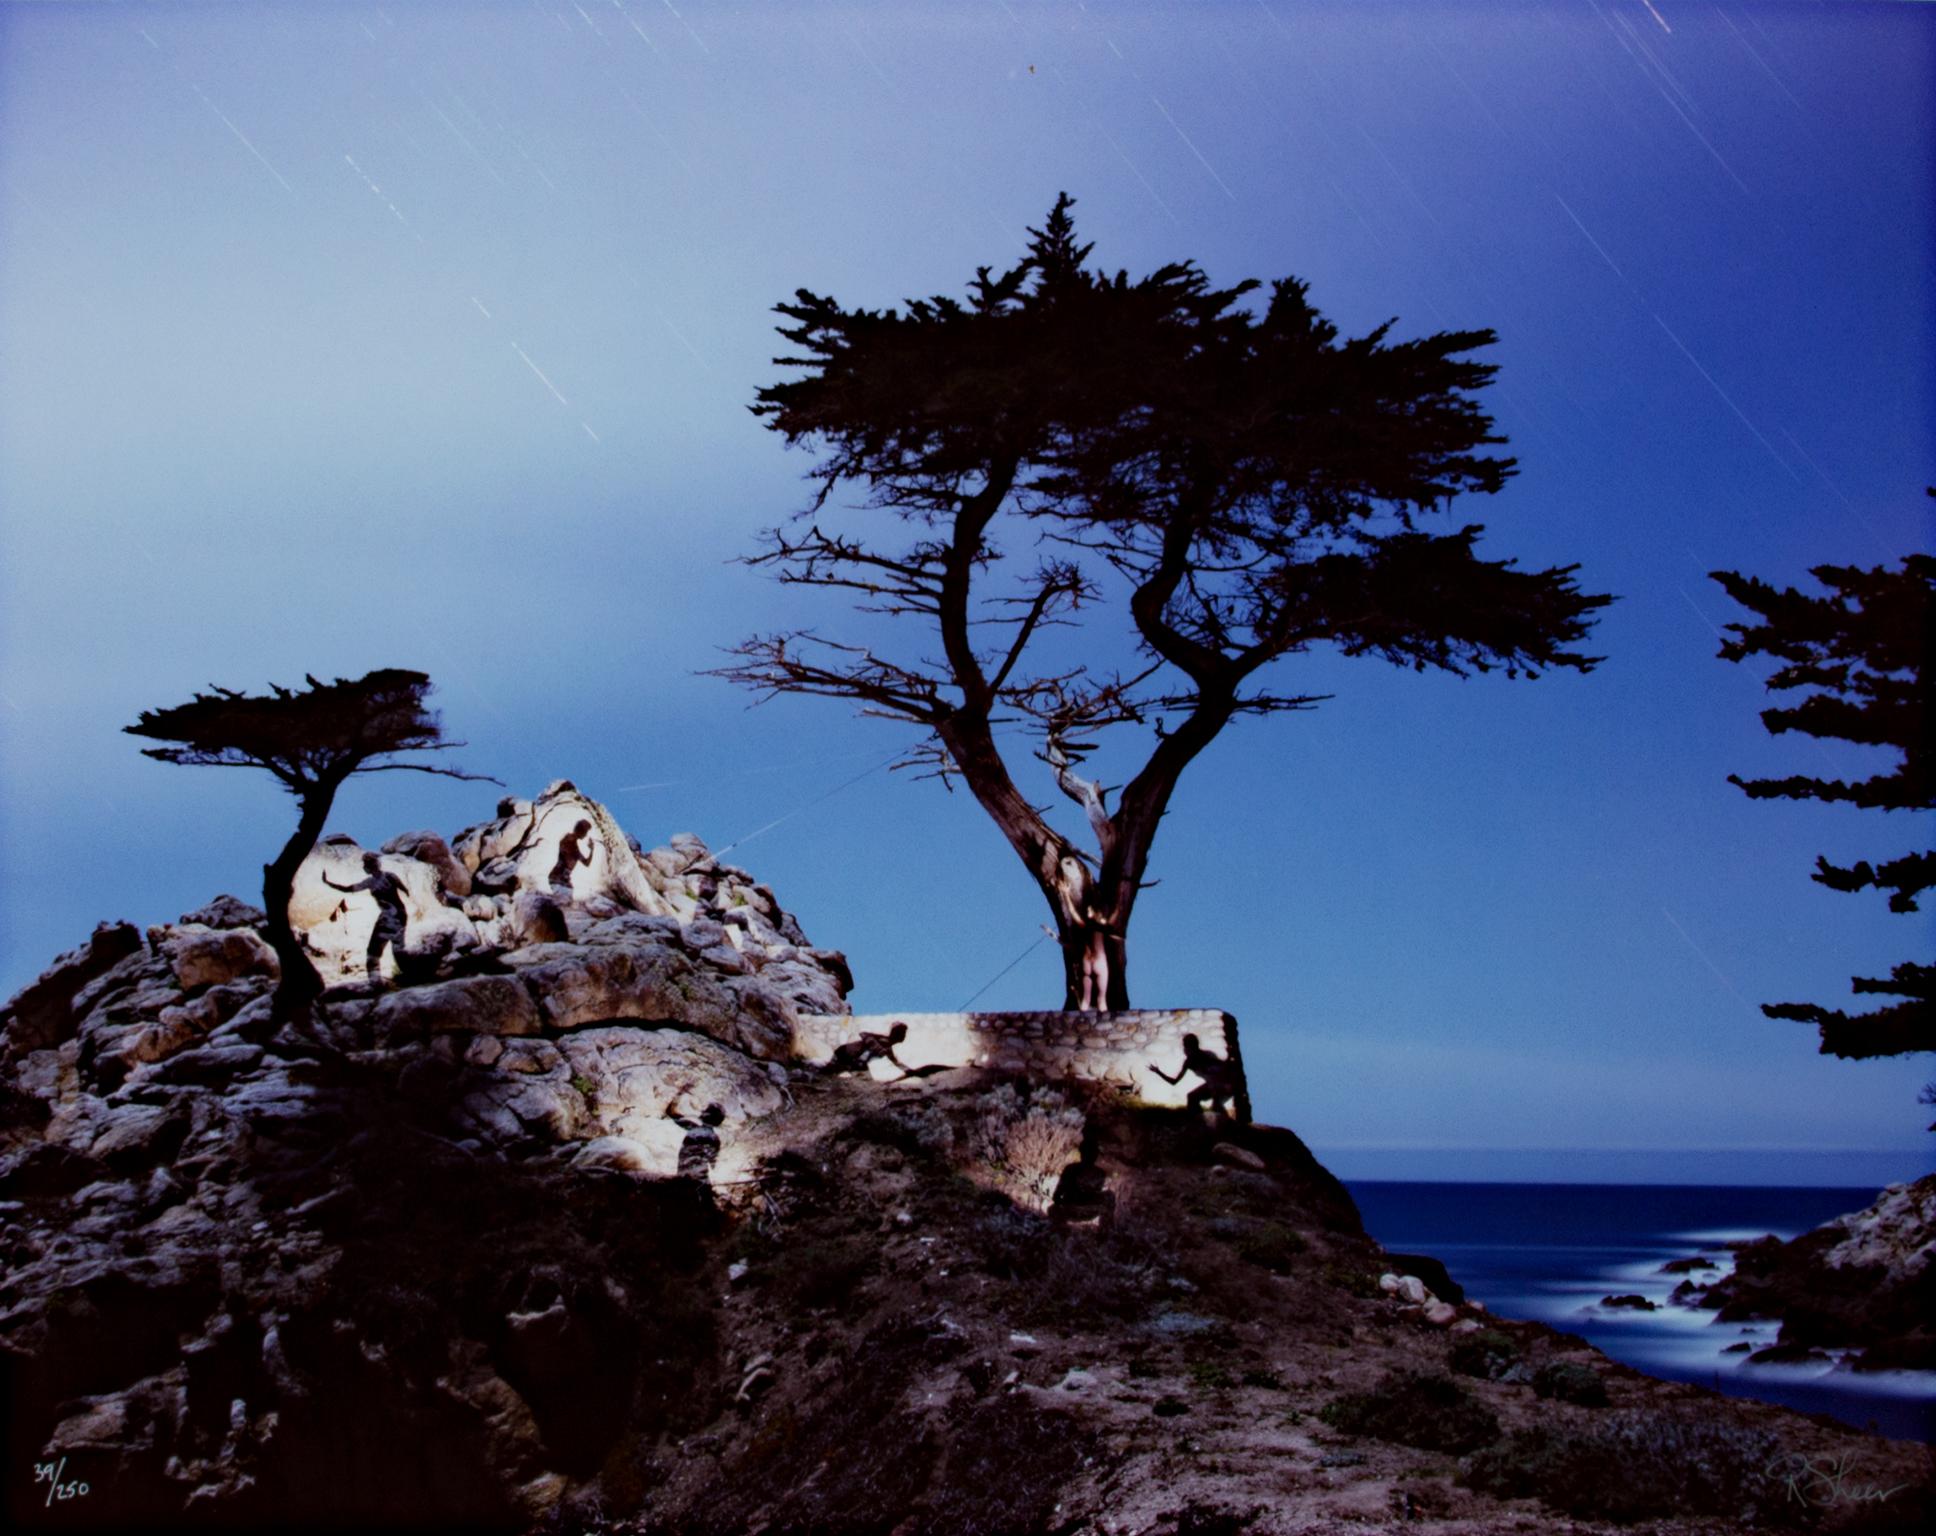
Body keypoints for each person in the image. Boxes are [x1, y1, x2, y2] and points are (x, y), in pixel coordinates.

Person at [322, 852, 410, 983]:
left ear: (369, 866)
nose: (364, 867)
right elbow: (405, 891)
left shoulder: (375, 881)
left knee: (375, 950)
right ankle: (408, 974)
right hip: (397, 915)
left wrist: (327, 882)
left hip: (390, 917)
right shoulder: (384, 878)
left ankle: (376, 982)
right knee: (396, 949)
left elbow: (347, 889)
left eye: (365, 864)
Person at [1148, 1032, 1242, 1120]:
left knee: (1216, 1106)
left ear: (1191, 1047)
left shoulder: (1205, 1056)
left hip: (1223, 1084)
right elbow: (1174, 1082)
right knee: (1192, 1097)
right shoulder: (1190, 1061)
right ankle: (1199, 1120)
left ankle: (1223, 1125)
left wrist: (1227, 1084)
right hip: (1213, 1085)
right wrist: (1158, 1072)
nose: (1184, 1050)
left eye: (1185, 1046)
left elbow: (1222, 1070)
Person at [825, 1021, 910, 1077]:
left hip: (849, 1057)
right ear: (897, 1034)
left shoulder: (887, 1048)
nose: (904, 1036)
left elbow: (895, 1062)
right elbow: (863, 1034)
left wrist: (909, 1071)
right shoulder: (881, 1041)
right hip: (844, 1054)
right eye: (903, 1033)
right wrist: (876, 1046)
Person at [670, 1102, 726, 1182]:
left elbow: (672, 1115)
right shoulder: (715, 1139)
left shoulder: (692, 1128)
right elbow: (713, 1163)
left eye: (705, 1110)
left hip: (684, 1176)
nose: (702, 1111)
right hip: (700, 1179)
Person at [548, 818, 596, 899]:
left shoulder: (575, 847)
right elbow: (566, 847)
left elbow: (586, 863)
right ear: (581, 831)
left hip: (564, 882)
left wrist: (592, 850)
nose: (586, 835)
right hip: (557, 880)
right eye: (586, 832)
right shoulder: (568, 839)